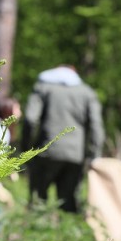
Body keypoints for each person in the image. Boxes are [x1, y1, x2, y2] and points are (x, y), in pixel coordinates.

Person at [21, 65, 105, 213]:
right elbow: (96, 126)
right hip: (75, 157)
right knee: (69, 205)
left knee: (38, 203)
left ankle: (35, 233)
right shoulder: (87, 93)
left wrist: (26, 149)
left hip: (46, 153)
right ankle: (70, 234)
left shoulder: (43, 88)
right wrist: (94, 156)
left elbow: (30, 119)